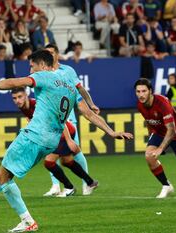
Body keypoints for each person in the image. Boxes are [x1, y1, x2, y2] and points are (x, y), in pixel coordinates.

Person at [0, 50, 132, 232]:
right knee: (7, 174)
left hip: (34, 135)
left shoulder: (44, 76)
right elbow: (88, 112)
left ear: (43, 66)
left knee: (4, 177)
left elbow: (13, 82)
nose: (30, 70)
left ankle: (27, 221)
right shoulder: (69, 87)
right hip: (50, 141)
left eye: (32, 66)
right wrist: (111, 131)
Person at [11, 87, 100, 197]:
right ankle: (90, 183)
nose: (17, 100)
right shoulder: (24, 107)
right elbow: (31, 120)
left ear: (26, 95)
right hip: (56, 134)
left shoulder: (38, 105)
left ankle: (69, 187)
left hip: (63, 132)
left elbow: (59, 119)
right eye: (14, 98)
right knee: (66, 161)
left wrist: (69, 140)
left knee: (49, 162)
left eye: (20, 97)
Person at [44, 43, 100, 196]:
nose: (48, 56)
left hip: (68, 120)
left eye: (50, 52)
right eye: (45, 53)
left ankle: (86, 183)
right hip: (52, 122)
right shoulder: (43, 72)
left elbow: (80, 90)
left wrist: (91, 104)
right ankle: (56, 185)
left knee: (75, 152)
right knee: (52, 153)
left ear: (57, 54)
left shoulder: (67, 70)